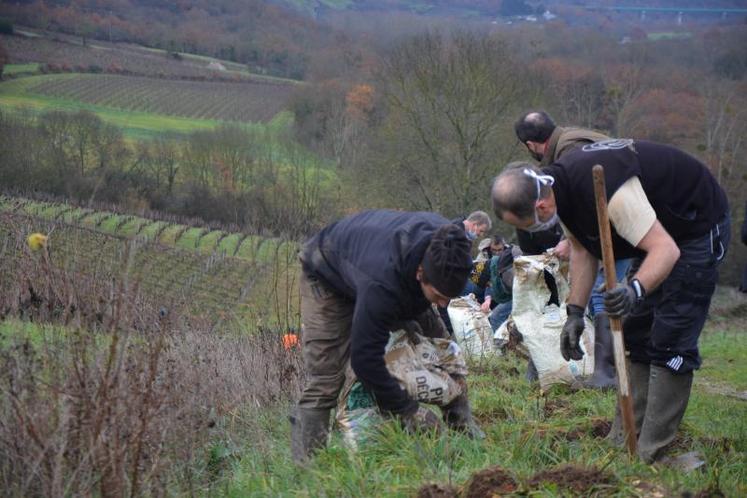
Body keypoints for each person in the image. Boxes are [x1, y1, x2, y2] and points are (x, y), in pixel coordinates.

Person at [491, 138, 730, 464]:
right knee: (635, 334)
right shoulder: (557, 190)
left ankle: (653, 451)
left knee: (671, 338)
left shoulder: (609, 192)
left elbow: (666, 250)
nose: (531, 233)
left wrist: (634, 290)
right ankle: (625, 439)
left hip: (693, 229)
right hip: (654, 236)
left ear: (541, 207)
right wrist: (574, 312)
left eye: (527, 226)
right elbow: (581, 249)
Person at [290, 210, 484, 463]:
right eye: (438, 295)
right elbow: (365, 360)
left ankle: (461, 422)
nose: (444, 304)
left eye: (450, 296)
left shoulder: (447, 244)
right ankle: (307, 465)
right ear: (420, 274)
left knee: (443, 349)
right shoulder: (381, 285)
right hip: (326, 272)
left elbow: (440, 329)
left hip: (381, 266)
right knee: (326, 377)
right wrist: (409, 412)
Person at [515, 110, 626, 389]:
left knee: (604, 286)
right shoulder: (574, 138)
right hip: (628, 215)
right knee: (611, 288)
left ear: (530, 146)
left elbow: (589, 202)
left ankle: (605, 372)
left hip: (622, 219)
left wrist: (571, 240)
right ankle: (615, 369)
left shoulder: (569, 152)